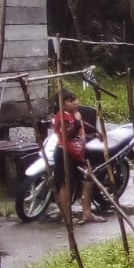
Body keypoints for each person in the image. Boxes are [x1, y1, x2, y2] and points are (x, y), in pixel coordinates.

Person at [51, 89, 102, 225]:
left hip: (79, 155)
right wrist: (77, 122)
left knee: (87, 182)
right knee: (66, 186)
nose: (75, 103)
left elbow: (84, 126)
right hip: (65, 154)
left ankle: (87, 213)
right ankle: (67, 217)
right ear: (62, 104)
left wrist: (96, 131)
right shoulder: (60, 117)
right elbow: (68, 134)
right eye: (70, 100)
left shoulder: (75, 114)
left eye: (75, 99)